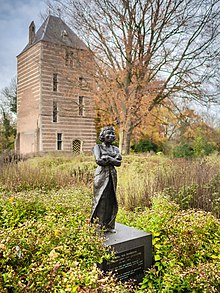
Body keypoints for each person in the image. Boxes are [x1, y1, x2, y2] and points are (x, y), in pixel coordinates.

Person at [90, 126, 122, 233]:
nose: (112, 136)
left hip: (112, 175)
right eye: (109, 133)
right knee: (100, 199)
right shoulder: (97, 147)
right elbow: (99, 160)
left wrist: (108, 158)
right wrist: (113, 158)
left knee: (110, 199)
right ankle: (97, 225)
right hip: (101, 175)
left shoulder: (116, 149)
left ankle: (108, 225)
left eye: (113, 134)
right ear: (103, 136)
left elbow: (119, 163)